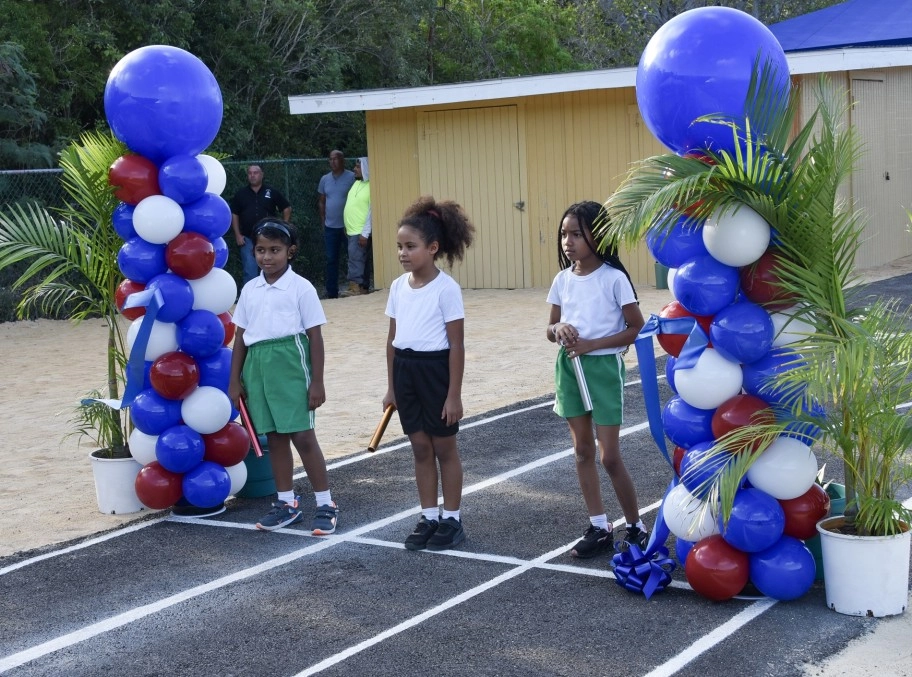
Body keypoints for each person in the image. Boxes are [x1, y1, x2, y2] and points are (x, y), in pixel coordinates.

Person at [545, 201, 648, 558]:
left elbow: (636, 327)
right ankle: (599, 525)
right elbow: (549, 328)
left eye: (576, 234)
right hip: (569, 369)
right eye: (564, 234)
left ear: (597, 235)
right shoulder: (562, 280)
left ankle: (635, 525)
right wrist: (558, 329)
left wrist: (592, 345)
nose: (568, 241)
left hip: (602, 370)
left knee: (609, 457)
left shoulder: (614, 278)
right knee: (582, 451)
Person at [228, 218, 338, 534]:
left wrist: (317, 381)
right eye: (260, 250)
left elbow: (315, 338)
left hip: (290, 361)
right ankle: (287, 503)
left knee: (303, 435)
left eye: (275, 250)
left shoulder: (301, 288)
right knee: (275, 438)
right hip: (257, 367)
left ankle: (326, 504)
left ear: (290, 252)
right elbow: (240, 337)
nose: (266, 257)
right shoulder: (250, 289)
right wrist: (235, 379)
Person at [382, 196, 475, 551]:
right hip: (405, 370)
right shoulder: (396, 287)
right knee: (420, 447)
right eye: (399, 247)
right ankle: (428, 515)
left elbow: (456, 345)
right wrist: (391, 386)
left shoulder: (446, 289)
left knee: (444, 447)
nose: (403, 253)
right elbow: (392, 340)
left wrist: (454, 394)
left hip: (436, 371)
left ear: (433, 248)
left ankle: (452, 518)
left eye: (411, 246)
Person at [229, 165, 292, 286]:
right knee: (250, 271)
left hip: (270, 239)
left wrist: (284, 227)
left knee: (272, 269)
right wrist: (237, 235)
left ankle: (272, 295)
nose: (252, 175)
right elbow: (234, 214)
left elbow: (287, 208)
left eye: (255, 173)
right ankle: (251, 299)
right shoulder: (241, 194)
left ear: (262, 175)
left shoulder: (271, 191)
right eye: (250, 173)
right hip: (248, 239)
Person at [317, 150, 356, 298]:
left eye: (336, 159)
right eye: (330, 159)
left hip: (348, 227)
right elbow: (321, 201)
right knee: (331, 259)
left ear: (342, 160)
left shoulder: (352, 177)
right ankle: (332, 291)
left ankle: (357, 287)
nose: (333, 162)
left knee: (353, 257)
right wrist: (323, 221)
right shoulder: (324, 179)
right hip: (330, 227)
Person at [340, 157, 372, 296]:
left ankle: (355, 287)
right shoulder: (356, 183)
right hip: (352, 230)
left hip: (360, 231)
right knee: (358, 258)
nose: (354, 169)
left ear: (365, 168)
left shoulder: (371, 186)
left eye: (358, 167)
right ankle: (363, 287)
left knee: (355, 259)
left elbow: (371, 211)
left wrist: (365, 232)